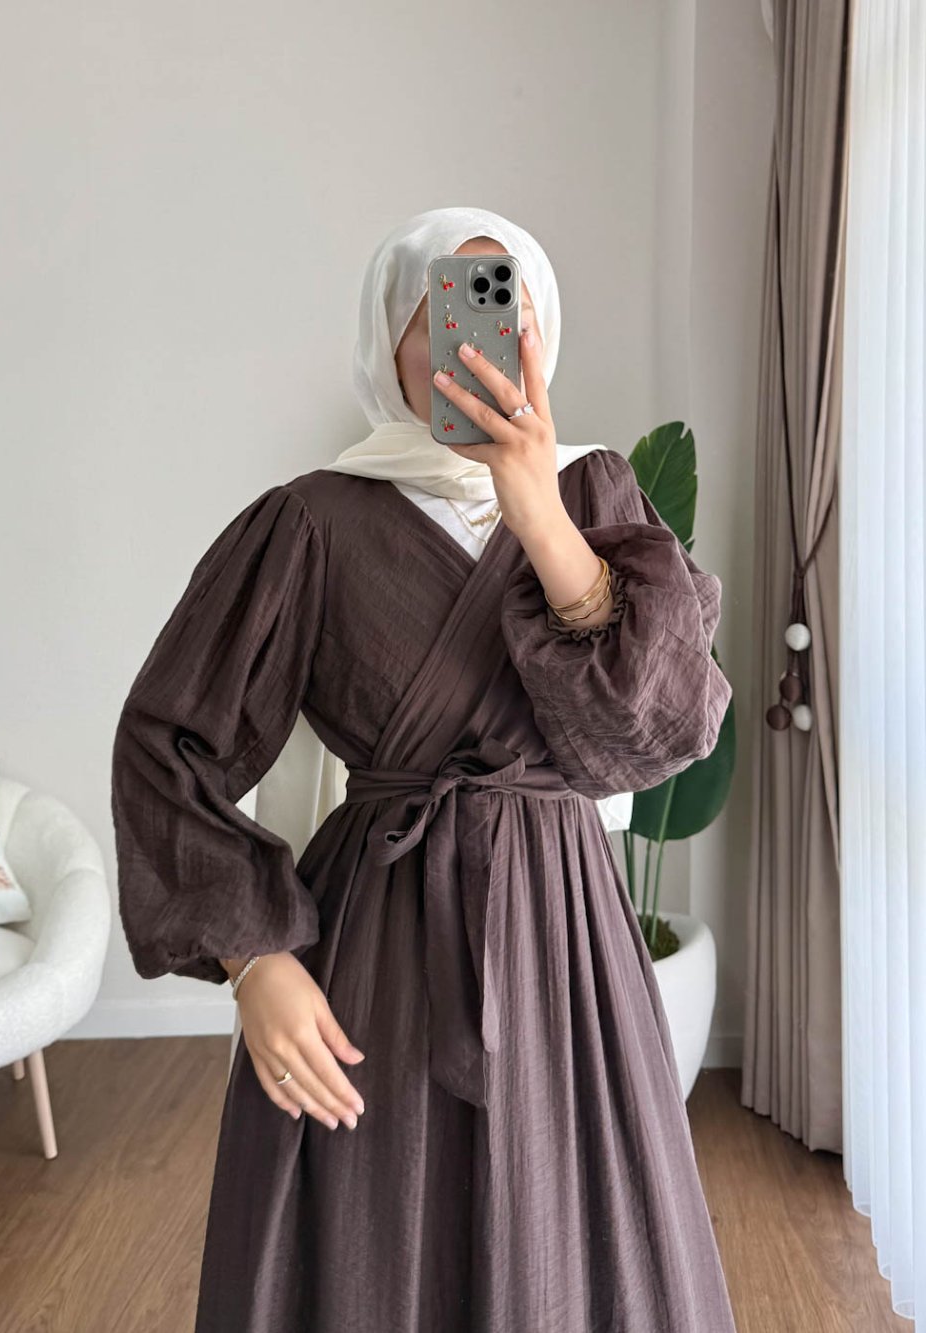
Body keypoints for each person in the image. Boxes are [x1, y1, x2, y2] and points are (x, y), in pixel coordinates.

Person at [110, 205, 738, 1332]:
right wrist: (253, 959)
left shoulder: (599, 498)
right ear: (390, 336)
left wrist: (538, 510)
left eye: (506, 307)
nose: (477, 340)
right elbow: (169, 740)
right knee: (369, 1236)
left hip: (566, 938)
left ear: (540, 332)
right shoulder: (309, 521)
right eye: (441, 311)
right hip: (378, 936)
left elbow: (660, 732)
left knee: (574, 1240)